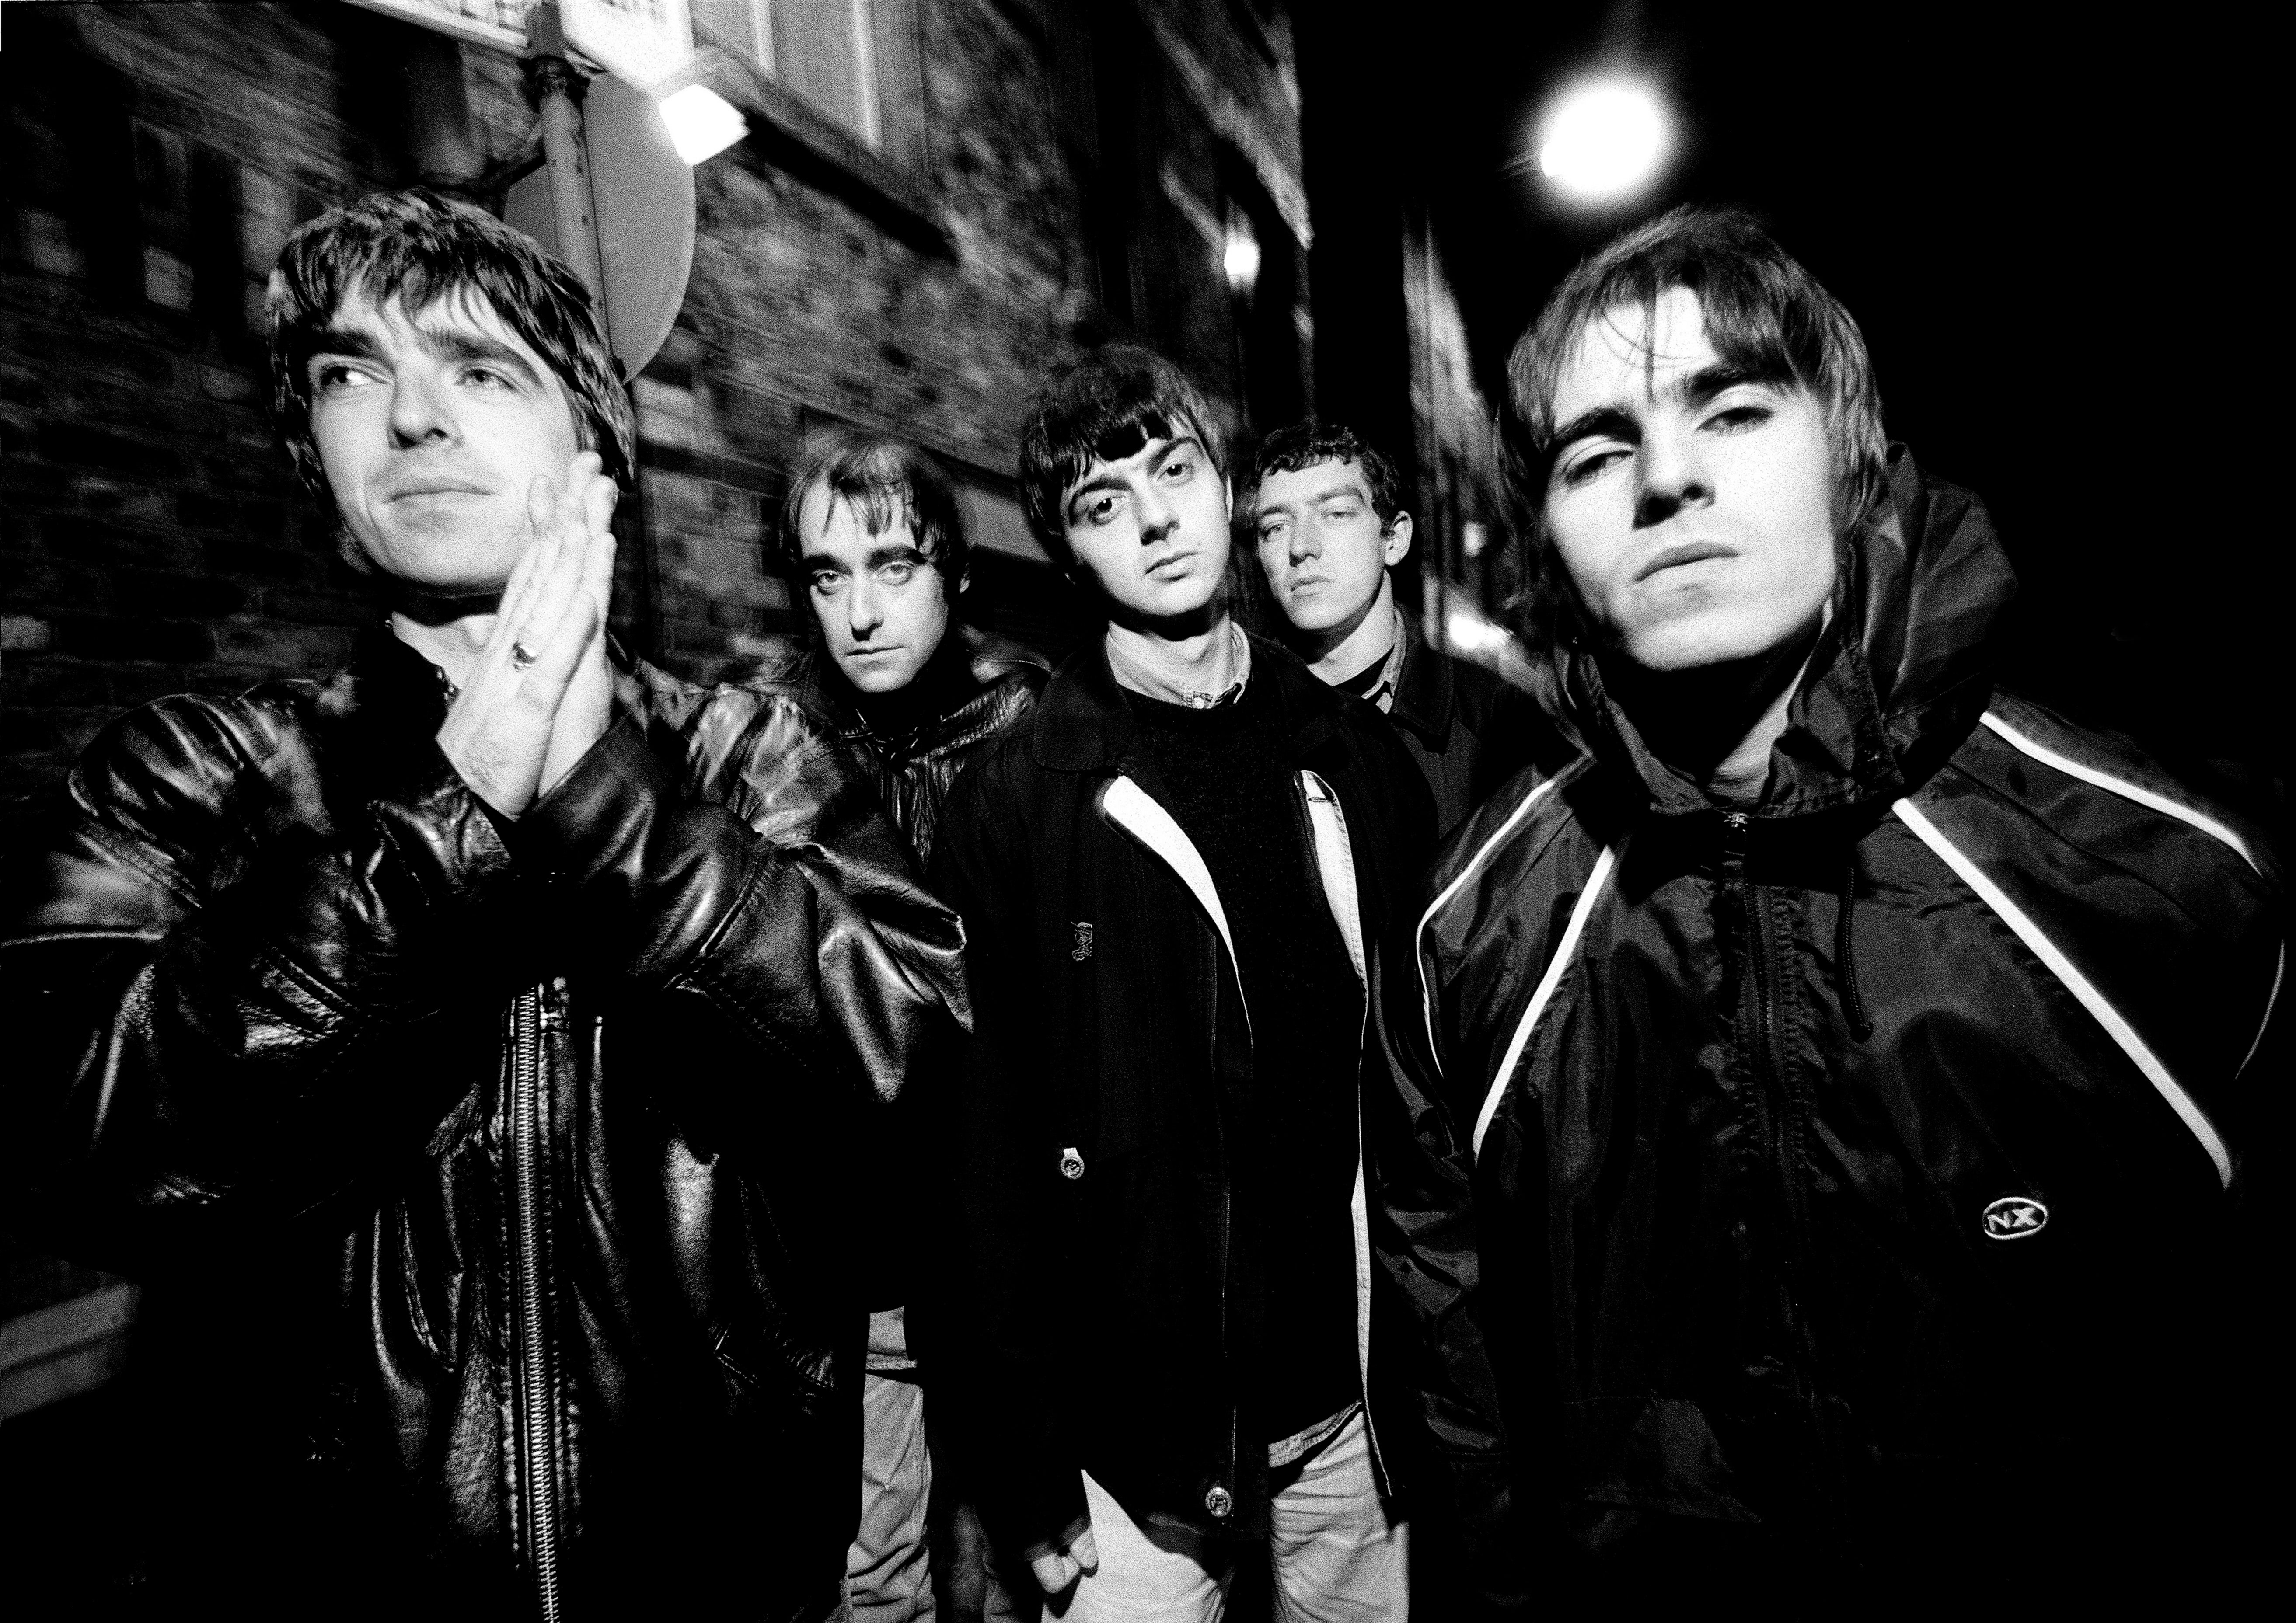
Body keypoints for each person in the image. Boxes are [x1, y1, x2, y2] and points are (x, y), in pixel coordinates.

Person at [0, 189, 965, 1622]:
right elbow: (88, 1143)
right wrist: (448, 837)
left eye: (481, 369)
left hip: (716, 1584)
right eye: (352, 375)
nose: (411, 420)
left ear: (597, 443)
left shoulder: (749, 757)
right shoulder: (193, 774)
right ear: (307, 450)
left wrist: (608, 806)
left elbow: (922, 1094)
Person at [1387, 206, 2283, 1597]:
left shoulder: (2157, 877)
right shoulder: (1469, 937)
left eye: (1733, 410)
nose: (1666, 478)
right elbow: (1466, 1401)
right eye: (1597, 448)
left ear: (1850, 460)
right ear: (1548, 533)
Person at [928, 345, 1494, 1620]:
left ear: (1218, 482)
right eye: (1101, 502)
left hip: (1348, 1412)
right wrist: (1023, 1469)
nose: (1153, 518)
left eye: (1172, 470)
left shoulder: (1351, 759)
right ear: (1070, 552)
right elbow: (978, 1160)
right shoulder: (1018, 803)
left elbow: (1425, 1103)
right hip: (1130, 1445)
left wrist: (1444, 1382)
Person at [752, 433, 1047, 1622]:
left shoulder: (1037, 737)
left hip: (1015, 1253)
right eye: (830, 576)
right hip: (857, 1253)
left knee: (1024, 1568)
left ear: (955, 574)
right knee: (873, 1583)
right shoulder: (777, 754)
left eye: (894, 566)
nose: (862, 611)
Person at [1247, 420, 1547, 834]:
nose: (1301, 548)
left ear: (1395, 539)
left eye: (1335, 514)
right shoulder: (1245, 731)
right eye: (1275, 527)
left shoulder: (1500, 726)